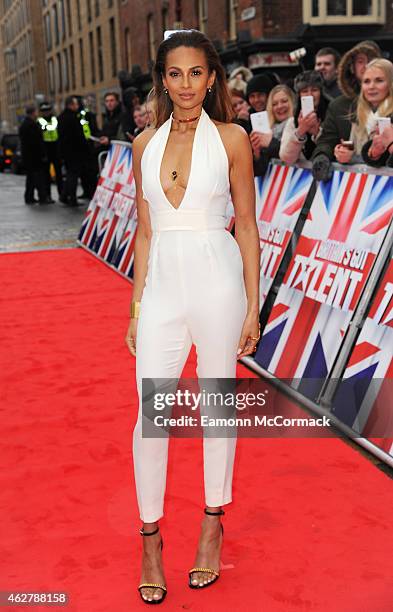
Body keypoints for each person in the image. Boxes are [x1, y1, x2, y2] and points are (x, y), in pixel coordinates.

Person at [125, 29, 260, 604]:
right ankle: (150, 537)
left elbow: (248, 226)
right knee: (151, 413)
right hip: (162, 288)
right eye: (175, 74)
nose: (185, 85)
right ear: (162, 78)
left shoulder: (232, 139)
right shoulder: (142, 145)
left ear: (211, 79)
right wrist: (135, 308)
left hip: (217, 279)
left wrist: (254, 305)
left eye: (196, 74)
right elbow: (145, 230)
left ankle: (211, 522)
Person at [312, 41, 381, 181]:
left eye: (372, 61)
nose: (367, 65)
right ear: (352, 67)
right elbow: (326, 140)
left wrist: (355, 157)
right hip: (349, 188)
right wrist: (323, 157)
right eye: (361, 61)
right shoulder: (338, 106)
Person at [346, 58, 393, 166]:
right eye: (366, 81)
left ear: (391, 83)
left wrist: (354, 159)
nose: (371, 86)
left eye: (379, 80)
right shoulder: (356, 113)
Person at [280, 71, 329, 164]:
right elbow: (286, 158)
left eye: (314, 90)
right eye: (304, 91)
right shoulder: (292, 122)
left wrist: (317, 134)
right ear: (299, 95)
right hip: (302, 176)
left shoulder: (331, 116)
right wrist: (300, 131)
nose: (310, 95)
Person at [250, 84, 295, 176]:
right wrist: (257, 153)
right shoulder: (268, 130)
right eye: (274, 104)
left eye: (284, 101)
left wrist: (271, 143)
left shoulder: (299, 126)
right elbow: (259, 172)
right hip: (273, 186)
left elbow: (295, 157)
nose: (279, 106)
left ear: (292, 102)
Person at [58, 96, 91, 206]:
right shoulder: (73, 118)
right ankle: (72, 198)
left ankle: (64, 195)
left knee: (69, 174)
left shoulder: (61, 117)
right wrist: (87, 146)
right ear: (71, 105)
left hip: (66, 152)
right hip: (75, 152)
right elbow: (78, 136)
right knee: (73, 175)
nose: (77, 106)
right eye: (76, 104)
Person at [19, 104, 52, 205]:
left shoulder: (24, 124)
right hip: (34, 157)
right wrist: (43, 154)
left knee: (31, 178)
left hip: (28, 156)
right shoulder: (31, 125)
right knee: (38, 178)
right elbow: (36, 142)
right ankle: (42, 197)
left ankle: (29, 197)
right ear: (33, 113)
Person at [38, 101, 63, 199]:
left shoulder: (55, 119)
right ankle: (47, 195)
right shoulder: (39, 121)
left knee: (59, 174)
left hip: (56, 148)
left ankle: (62, 194)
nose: (46, 112)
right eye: (44, 111)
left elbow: (55, 129)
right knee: (46, 175)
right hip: (46, 149)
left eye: (48, 110)